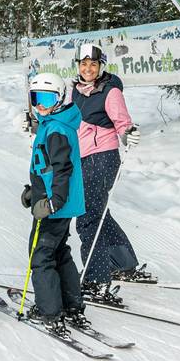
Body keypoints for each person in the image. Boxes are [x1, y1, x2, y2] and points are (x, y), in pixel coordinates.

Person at [71, 43, 146, 303]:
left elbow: (122, 122)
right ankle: (123, 263)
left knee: (88, 217)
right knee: (100, 213)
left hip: (102, 158)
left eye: (93, 64)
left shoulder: (110, 91)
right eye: (83, 63)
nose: (88, 68)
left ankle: (96, 279)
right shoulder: (75, 91)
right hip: (82, 158)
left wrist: (128, 134)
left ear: (101, 66)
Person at [21, 72, 88, 337]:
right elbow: (45, 166)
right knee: (60, 252)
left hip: (55, 205)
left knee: (41, 255)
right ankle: (72, 305)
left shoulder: (56, 129)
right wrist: (34, 190)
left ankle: (49, 311)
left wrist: (52, 201)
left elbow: (62, 169)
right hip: (57, 201)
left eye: (47, 98)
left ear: (59, 99)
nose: (40, 105)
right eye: (36, 98)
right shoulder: (54, 123)